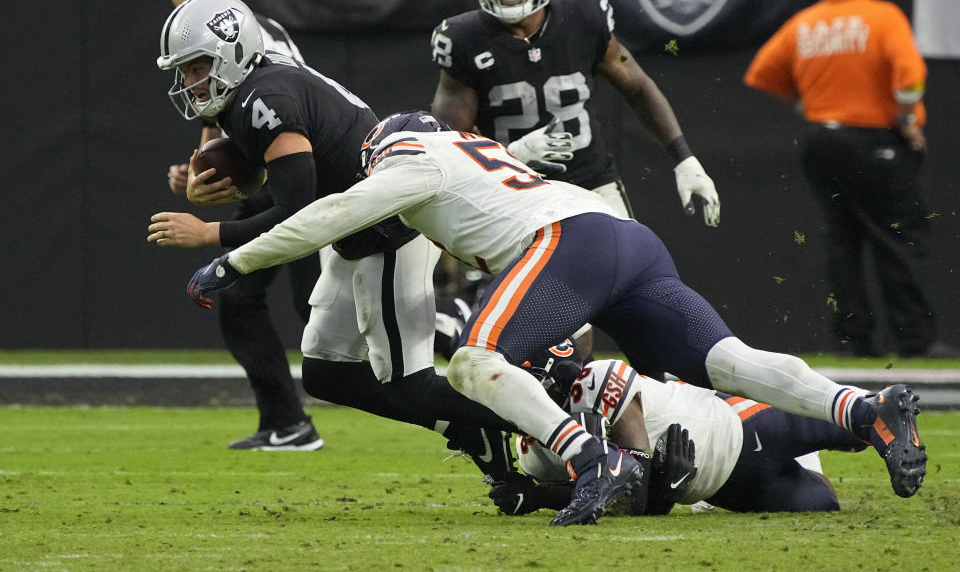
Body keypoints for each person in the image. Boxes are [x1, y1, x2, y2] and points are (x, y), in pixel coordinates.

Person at [183, 111, 927, 526]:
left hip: (572, 242)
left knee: (475, 361)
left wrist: (232, 259)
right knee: (727, 363)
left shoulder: (410, 157)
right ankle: (867, 411)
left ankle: (588, 457)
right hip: (621, 240)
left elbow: (339, 211)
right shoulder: (462, 154)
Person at [147, 0, 537, 489]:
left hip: (388, 228)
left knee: (410, 386)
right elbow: (297, 182)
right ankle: (472, 428)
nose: (189, 82)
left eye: (196, 66)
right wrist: (233, 190)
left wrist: (210, 235)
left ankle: (560, 430)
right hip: (355, 231)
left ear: (232, 52)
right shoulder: (255, 89)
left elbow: (298, 209)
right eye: (182, 71)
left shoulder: (265, 98)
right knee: (326, 375)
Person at [429, 0, 720, 358]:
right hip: (515, 195)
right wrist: (515, 155)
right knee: (563, 318)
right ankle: (561, 412)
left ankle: (656, 401)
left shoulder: (584, 14)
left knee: (644, 298)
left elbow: (637, 87)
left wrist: (685, 159)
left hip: (592, 185)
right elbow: (451, 150)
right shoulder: (464, 38)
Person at [744, 0, 952, 358]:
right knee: (897, 239)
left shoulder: (805, 23)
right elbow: (910, 76)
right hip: (873, 144)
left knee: (843, 241)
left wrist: (806, 103)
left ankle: (854, 340)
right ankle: (914, 340)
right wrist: (908, 122)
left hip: (823, 143)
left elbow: (762, 72)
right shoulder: (882, 16)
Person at [159, 0, 323, 450]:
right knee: (240, 297)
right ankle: (287, 421)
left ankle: (487, 355)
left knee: (322, 311)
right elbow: (220, 117)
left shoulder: (249, 34)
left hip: (308, 178)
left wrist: (210, 201)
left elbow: (266, 110)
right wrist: (197, 171)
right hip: (273, 184)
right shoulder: (194, 45)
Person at [490, 350, 872, 517]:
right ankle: (809, 458)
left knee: (857, 427)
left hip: (732, 422)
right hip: (717, 482)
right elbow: (616, 501)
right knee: (821, 503)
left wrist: (540, 497)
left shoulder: (597, 381)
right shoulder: (532, 452)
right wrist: (542, 495)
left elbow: (631, 490)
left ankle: (882, 411)